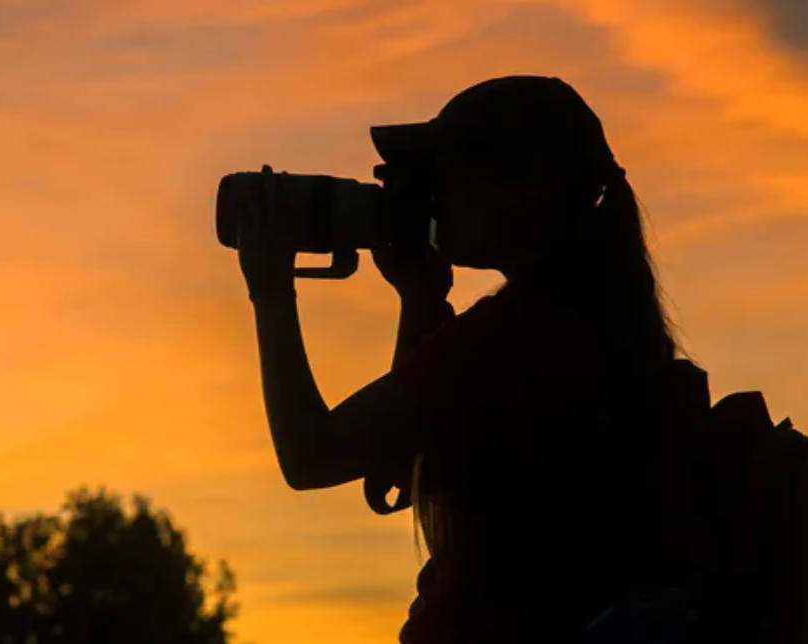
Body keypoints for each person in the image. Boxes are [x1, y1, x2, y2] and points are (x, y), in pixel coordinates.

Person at [236, 76, 700, 643]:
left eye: (445, 177)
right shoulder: (607, 329)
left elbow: (310, 455)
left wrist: (270, 287)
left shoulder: (507, 341)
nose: (430, 197)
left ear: (521, 189)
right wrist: (422, 301)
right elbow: (413, 457)